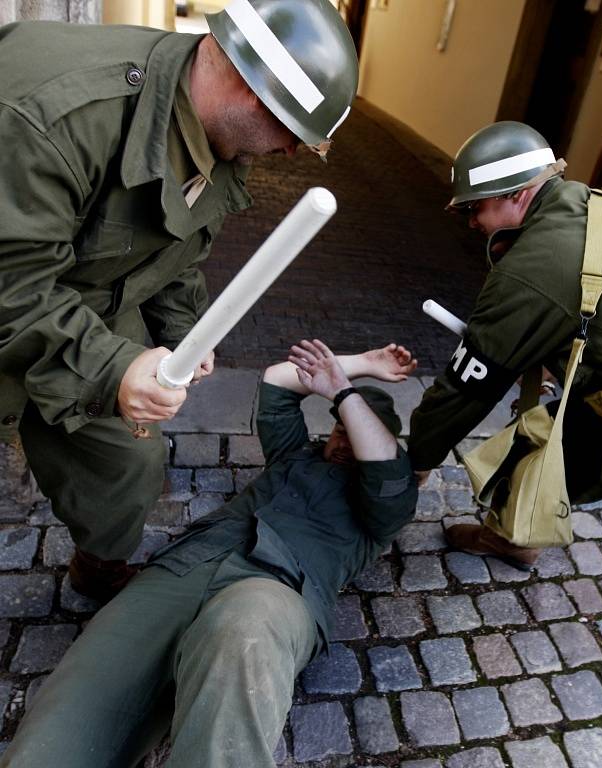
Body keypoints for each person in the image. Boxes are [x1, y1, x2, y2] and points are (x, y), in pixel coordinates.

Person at [0, 0, 359, 600]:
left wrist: (185, 328)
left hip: (76, 305)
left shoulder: (215, 136)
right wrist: (116, 369)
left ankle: (99, 567)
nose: (293, 155)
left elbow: (176, 249)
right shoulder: (55, 120)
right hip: (19, 292)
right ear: (250, 85)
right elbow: (12, 285)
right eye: (294, 135)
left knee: (128, 467)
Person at [0, 338, 418, 768]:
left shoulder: (386, 503)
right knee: (61, 723)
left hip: (275, 588)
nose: (346, 442)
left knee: (246, 631)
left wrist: (345, 395)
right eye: (340, 429)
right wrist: (361, 365)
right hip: (184, 569)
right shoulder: (295, 454)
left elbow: (384, 463)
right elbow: (277, 381)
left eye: (357, 431)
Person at [407, 120, 602, 768]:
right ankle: (515, 534)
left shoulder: (537, 267)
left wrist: (413, 461)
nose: (472, 225)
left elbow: (463, 387)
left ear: (514, 197)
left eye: (474, 210)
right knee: (529, 450)